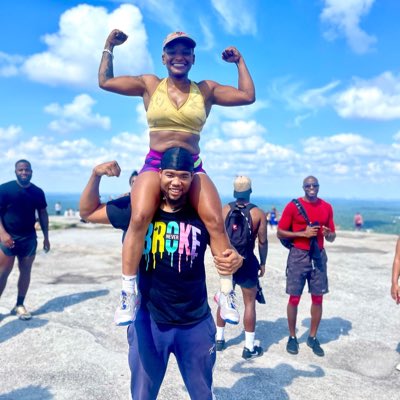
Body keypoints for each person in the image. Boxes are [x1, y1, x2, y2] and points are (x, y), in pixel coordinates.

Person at [99, 29, 255, 326]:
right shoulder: (150, 85)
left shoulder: (205, 90)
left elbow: (247, 96)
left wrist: (239, 62)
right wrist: (109, 46)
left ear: (193, 58)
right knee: (139, 217)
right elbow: (105, 82)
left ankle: (225, 293)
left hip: (191, 166)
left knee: (214, 220)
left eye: (185, 52)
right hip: (156, 163)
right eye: (173, 51)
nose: (179, 56)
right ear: (164, 57)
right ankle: (128, 293)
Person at [79, 148, 242, 399]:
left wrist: (237, 260)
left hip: (196, 323)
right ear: (159, 175)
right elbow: (88, 212)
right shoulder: (139, 210)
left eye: (184, 176)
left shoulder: (201, 212)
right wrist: (95, 175)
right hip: (150, 322)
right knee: (143, 394)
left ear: (192, 178)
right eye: (170, 175)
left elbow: (226, 249)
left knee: (202, 394)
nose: (176, 182)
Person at [277, 176, 335, 357]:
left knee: (318, 298)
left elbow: (333, 237)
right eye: (308, 185)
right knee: (294, 297)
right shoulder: (293, 206)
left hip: (318, 255)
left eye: (314, 185)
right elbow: (280, 232)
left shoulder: (327, 207)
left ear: (318, 187)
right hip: (298, 255)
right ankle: (292, 337)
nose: (311, 187)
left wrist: (328, 234)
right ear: (303, 187)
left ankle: (312, 337)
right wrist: (303, 233)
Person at [215, 176, 268, 359]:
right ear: (250, 191)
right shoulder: (258, 213)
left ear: (234, 191)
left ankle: (219, 339)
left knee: (224, 298)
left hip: (228, 260)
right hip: (247, 261)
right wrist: (262, 262)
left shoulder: (225, 210)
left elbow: (217, 234)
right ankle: (249, 347)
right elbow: (262, 241)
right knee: (249, 303)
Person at [0, 160, 50, 320]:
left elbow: (43, 213)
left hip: (28, 238)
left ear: (31, 172)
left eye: (26, 170)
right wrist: (2, 234)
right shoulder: (4, 189)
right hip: (8, 237)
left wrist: (46, 237)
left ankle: (19, 305)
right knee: (2, 273)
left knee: (26, 271)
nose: (24, 172)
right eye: (20, 170)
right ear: (15, 171)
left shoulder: (37, 192)